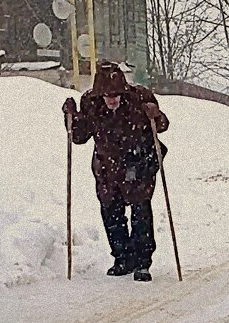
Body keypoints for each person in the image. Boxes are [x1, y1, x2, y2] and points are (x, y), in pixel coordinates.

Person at [62, 61, 169, 282]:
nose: (112, 99)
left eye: (116, 94)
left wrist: (155, 115)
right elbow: (80, 137)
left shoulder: (139, 97)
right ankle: (122, 258)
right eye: (107, 95)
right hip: (107, 170)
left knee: (141, 213)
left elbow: (162, 125)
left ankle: (142, 262)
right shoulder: (90, 103)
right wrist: (71, 116)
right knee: (112, 214)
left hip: (139, 164)